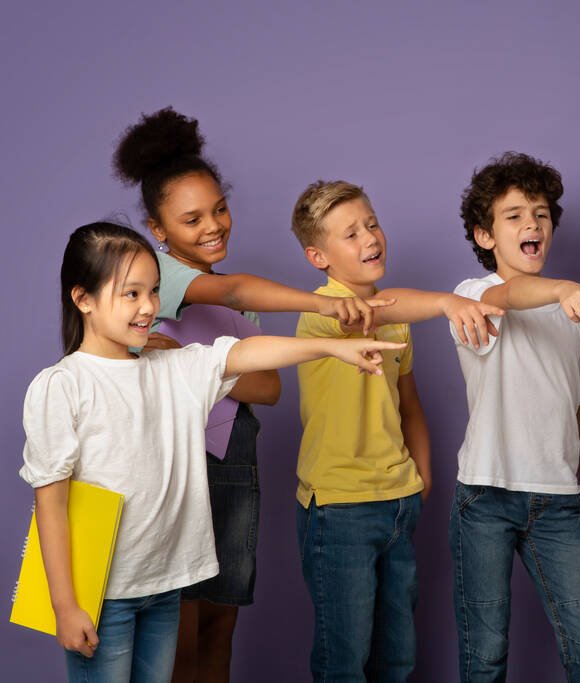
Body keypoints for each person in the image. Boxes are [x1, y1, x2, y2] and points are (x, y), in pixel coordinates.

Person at [20, 221, 403, 683]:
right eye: (131, 294)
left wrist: (331, 348)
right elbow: (51, 504)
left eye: (154, 291)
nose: (149, 308)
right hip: (101, 593)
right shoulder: (63, 386)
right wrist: (65, 605)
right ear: (83, 299)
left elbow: (248, 353)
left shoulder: (175, 367)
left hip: (164, 588)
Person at [112, 107, 389, 683]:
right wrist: (322, 304)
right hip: (181, 467)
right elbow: (234, 295)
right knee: (178, 628)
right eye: (191, 220)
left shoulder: (238, 298)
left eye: (218, 209)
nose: (213, 226)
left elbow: (268, 386)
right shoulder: (156, 279)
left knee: (220, 624)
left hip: (234, 463)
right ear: (158, 231)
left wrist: (188, 361)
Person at [289, 179, 503, 682]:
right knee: (343, 660)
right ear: (318, 256)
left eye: (372, 224)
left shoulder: (397, 319)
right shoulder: (320, 314)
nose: (369, 238)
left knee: (397, 655)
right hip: (338, 508)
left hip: (397, 501)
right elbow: (375, 310)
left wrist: (421, 476)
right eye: (350, 234)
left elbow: (409, 405)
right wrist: (448, 303)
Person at [448, 152, 580, 682]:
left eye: (542, 214)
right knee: (486, 655)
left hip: (560, 506)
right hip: (485, 498)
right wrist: (563, 289)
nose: (532, 224)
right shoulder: (472, 298)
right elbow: (512, 294)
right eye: (515, 215)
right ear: (485, 236)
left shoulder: (577, 314)